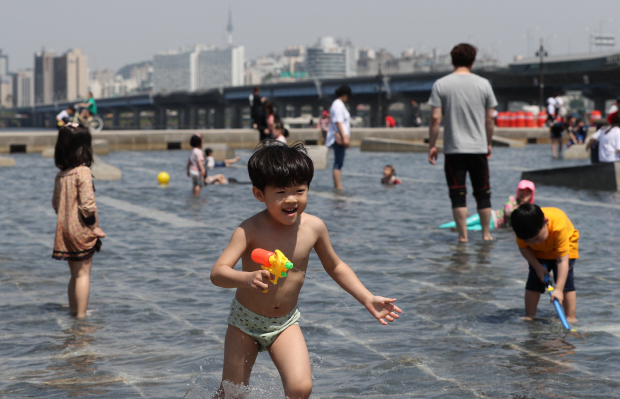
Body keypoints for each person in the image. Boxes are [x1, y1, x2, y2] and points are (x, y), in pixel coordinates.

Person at [210, 142, 401, 398]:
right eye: (280, 192)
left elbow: (336, 266)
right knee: (232, 393)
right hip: (245, 322)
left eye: (299, 190)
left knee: (301, 388)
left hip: (285, 322)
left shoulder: (314, 228)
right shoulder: (249, 230)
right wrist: (247, 277)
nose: (291, 199)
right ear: (259, 194)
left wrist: (367, 297)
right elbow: (218, 273)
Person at [428, 43, 497, 242]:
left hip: (454, 148)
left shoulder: (441, 84)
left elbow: (435, 118)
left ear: (452, 60)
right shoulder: (484, 84)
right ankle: (486, 235)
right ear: (473, 61)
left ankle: (463, 237)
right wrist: (488, 142)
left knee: (458, 194)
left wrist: (432, 144)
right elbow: (490, 118)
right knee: (483, 193)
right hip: (478, 147)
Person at [52, 124, 105, 319]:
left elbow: (55, 203)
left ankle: (74, 311)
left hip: (64, 229)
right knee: (84, 273)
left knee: (74, 274)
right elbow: (88, 205)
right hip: (81, 229)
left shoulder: (61, 175)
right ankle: (82, 317)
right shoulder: (82, 172)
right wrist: (94, 227)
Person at [510, 204, 579, 323]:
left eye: (537, 238)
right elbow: (524, 248)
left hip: (565, 247)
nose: (535, 243)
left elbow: (562, 261)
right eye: (530, 241)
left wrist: (558, 289)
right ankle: (530, 315)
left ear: (546, 222)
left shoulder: (558, 226)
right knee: (533, 282)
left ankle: (570, 317)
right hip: (539, 253)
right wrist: (537, 267)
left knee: (566, 283)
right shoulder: (523, 231)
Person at [326, 85, 352, 189]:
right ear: (345, 95)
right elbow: (338, 122)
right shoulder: (338, 104)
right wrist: (344, 137)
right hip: (338, 137)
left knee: (339, 162)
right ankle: (338, 186)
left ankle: (338, 186)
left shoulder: (338, 104)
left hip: (339, 136)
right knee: (338, 163)